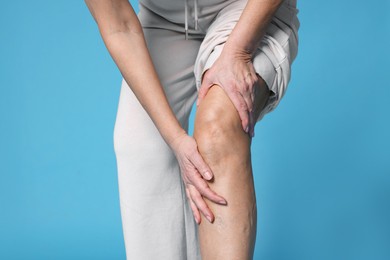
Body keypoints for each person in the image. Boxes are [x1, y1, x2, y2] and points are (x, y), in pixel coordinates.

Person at [85, 0, 299, 259]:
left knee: (217, 127)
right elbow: (119, 26)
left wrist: (237, 52)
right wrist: (174, 138)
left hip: (246, 8)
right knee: (140, 147)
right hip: (164, 19)